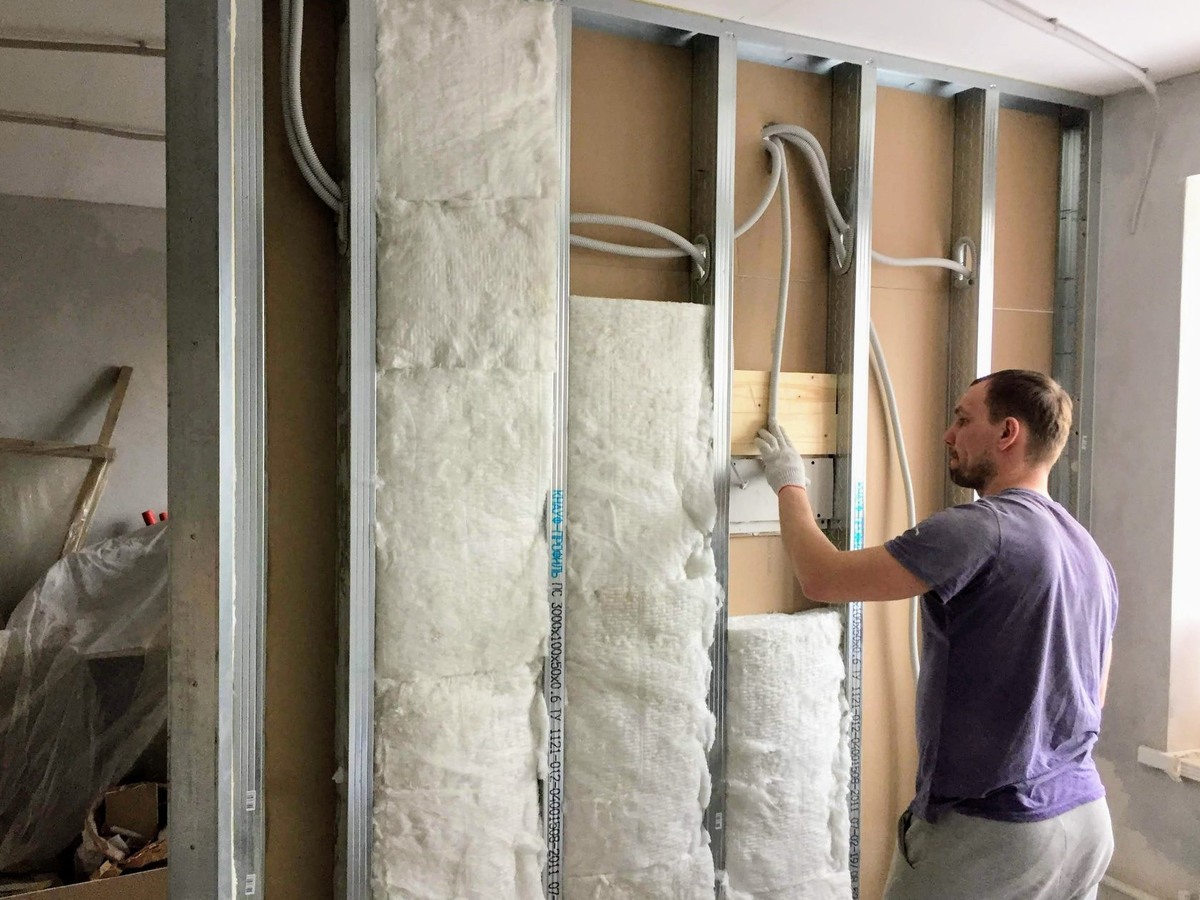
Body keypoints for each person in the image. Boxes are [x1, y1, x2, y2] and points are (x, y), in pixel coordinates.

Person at [755, 369, 1117, 900]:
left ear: (1008, 433)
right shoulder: (1089, 552)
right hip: (1084, 821)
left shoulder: (978, 529)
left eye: (963, 420)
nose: (949, 434)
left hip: (995, 834)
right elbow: (1092, 695)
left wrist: (790, 483)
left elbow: (822, 577)